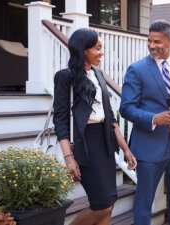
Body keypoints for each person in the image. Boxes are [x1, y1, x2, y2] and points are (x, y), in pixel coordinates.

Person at [53, 28, 137, 225]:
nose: (102, 52)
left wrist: (125, 149)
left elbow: (109, 117)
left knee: (109, 202)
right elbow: (61, 120)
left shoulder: (98, 74)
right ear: (83, 50)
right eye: (97, 48)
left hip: (105, 142)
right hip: (86, 143)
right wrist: (68, 158)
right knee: (101, 205)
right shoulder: (65, 77)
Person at [120, 20, 170, 225]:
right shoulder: (136, 70)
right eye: (149, 41)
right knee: (145, 201)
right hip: (149, 143)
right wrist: (155, 118)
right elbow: (126, 108)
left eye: (158, 42)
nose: (152, 46)